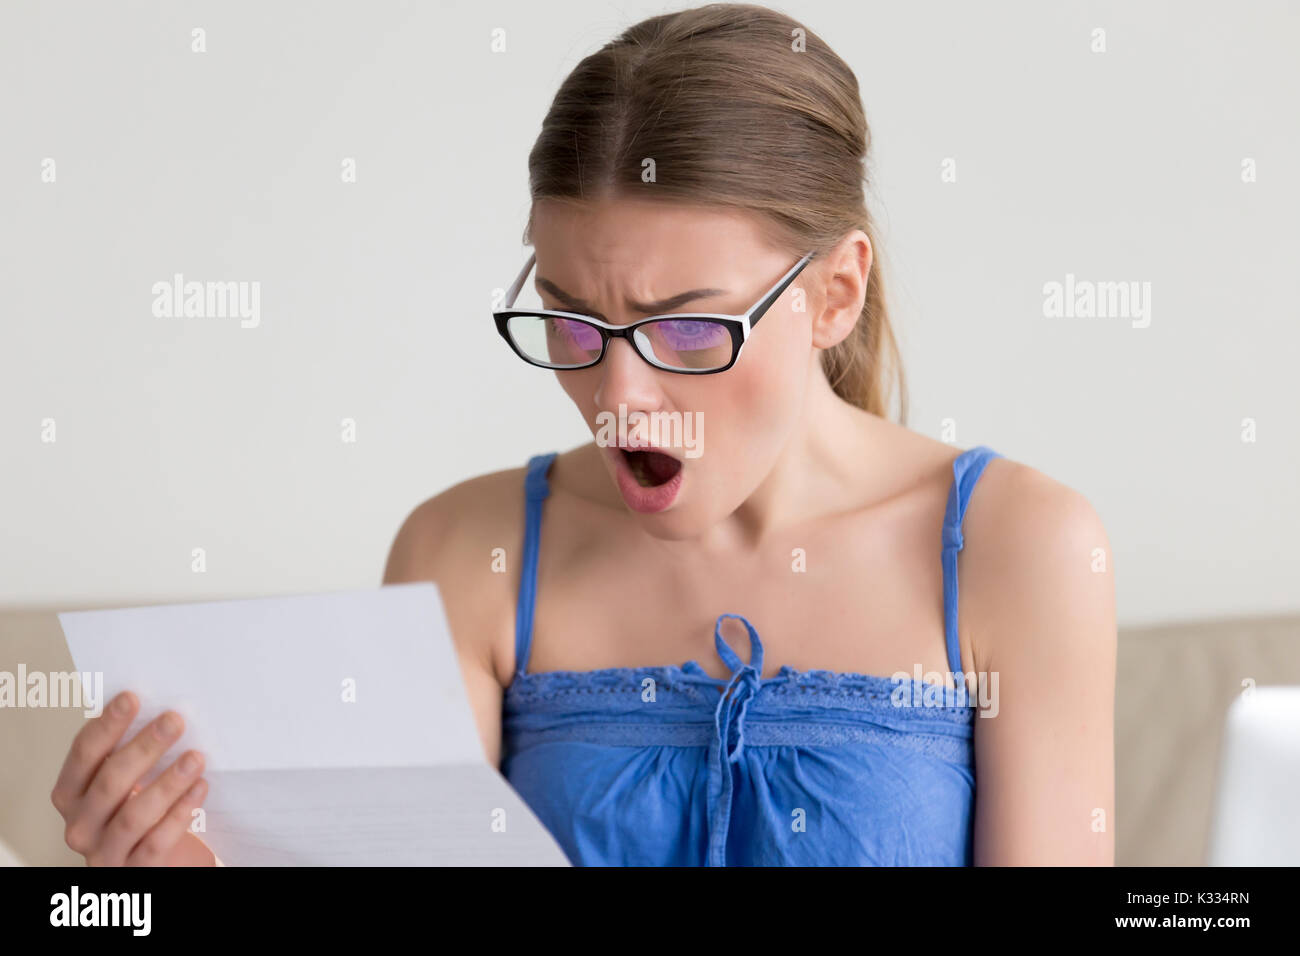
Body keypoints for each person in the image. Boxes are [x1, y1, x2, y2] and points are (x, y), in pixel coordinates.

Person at [52, 2, 1114, 867]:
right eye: (571, 321)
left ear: (833, 293)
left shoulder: (1019, 549)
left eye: (690, 325)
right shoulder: (462, 555)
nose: (619, 396)